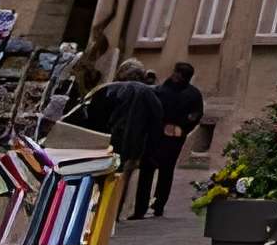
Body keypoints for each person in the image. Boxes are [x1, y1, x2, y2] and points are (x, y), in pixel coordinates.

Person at [74, 67, 164, 207]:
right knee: (121, 178)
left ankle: (100, 207)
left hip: (110, 140)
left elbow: (92, 115)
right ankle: (113, 210)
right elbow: (157, 121)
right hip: (133, 144)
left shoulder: (111, 89)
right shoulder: (148, 94)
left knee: (106, 176)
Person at [142, 62, 202, 218]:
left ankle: (159, 204)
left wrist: (182, 128)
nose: (175, 76)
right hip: (156, 134)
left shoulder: (192, 94)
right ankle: (142, 207)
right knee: (149, 169)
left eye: (179, 74)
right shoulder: (163, 89)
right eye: (176, 72)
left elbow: (195, 115)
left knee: (165, 171)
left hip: (173, 136)